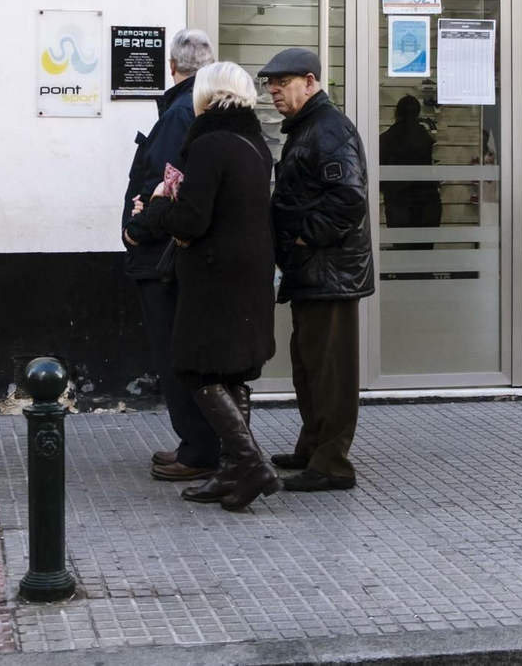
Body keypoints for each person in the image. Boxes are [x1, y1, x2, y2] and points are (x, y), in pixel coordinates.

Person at [143, 61, 279, 511]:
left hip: (214, 275)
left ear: (207, 94)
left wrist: (158, 208)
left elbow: (192, 220)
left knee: (199, 368)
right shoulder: (255, 143)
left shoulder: (208, 144)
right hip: (251, 271)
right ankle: (233, 470)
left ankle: (250, 464)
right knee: (233, 369)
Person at [260, 47, 373, 492]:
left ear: (309, 82)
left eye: (282, 83)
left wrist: (303, 238)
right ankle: (312, 447)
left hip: (329, 273)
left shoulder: (328, 129)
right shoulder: (309, 127)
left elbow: (349, 198)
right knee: (309, 366)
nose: (273, 91)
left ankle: (332, 465)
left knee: (330, 373)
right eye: (269, 84)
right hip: (312, 271)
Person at [120, 29, 221, 481]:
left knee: (175, 353)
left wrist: (135, 231)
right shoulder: (202, 109)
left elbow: (162, 184)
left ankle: (198, 449)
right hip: (181, 253)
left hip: (162, 258)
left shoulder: (180, 112)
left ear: (171, 66)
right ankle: (201, 443)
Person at [378, 95, 441, 249]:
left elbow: (382, 177)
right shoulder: (424, 137)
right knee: (424, 254)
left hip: (398, 204)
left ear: (395, 112)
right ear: (418, 113)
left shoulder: (385, 139)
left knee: (402, 252)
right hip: (427, 203)